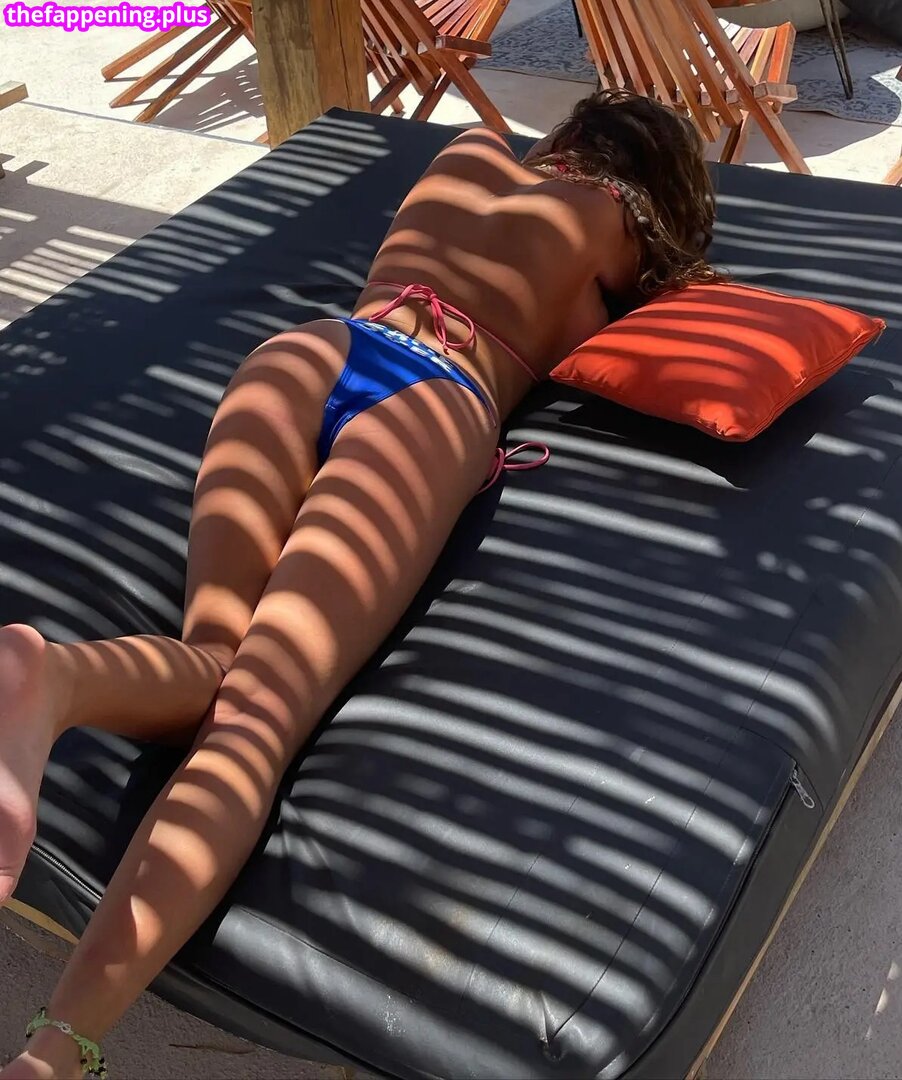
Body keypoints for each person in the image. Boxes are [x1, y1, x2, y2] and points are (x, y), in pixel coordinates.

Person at [0, 89, 717, 1080]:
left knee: (215, 656)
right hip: (431, 395)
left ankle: (58, 679)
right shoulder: (611, 227)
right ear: (651, 185)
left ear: (565, 137)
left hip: (309, 353)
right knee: (255, 724)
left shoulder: (466, 151)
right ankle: (56, 1052)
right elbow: (674, 310)